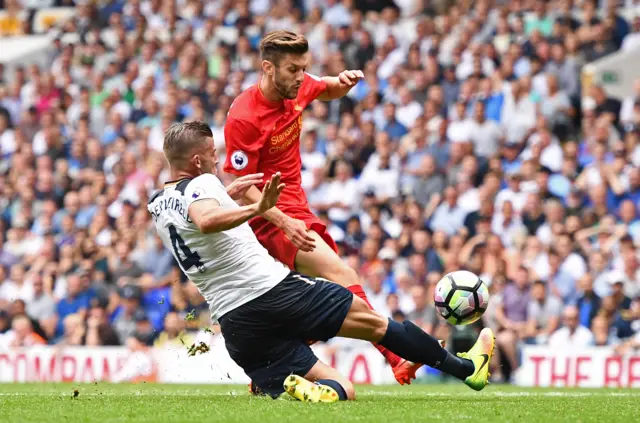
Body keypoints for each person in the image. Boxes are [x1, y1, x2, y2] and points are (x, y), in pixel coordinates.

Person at [147, 122, 495, 402]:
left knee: (343, 388)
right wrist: (258, 207)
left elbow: (195, 221)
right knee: (373, 321)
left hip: (236, 324)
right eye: (211, 154)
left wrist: (227, 196)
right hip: (274, 292)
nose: (215, 161)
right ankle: (466, 369)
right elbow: (206, 219)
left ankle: (307, 393)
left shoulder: (158, 203)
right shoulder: (203, 184)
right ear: (196, 162)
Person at [223, 30, 417, 384]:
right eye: (293, 69)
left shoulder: (296, 89)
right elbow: (240, 187)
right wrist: (283, 222)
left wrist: (343, 83)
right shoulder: (243, 116)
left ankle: (270, 371)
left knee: (309, 304)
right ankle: (395, 356)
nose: (301, 76)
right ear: (268, 68)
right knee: (343, 277)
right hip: (271, 218)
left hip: (295, 210)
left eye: (304, 68)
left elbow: (326, 87)